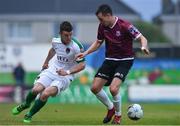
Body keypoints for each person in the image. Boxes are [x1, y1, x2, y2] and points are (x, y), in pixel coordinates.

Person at [76, 4, 150, 124]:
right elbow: (98, 42)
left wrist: (143, 47)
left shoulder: (125, 25)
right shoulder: (102, 26)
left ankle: (118, 115)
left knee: (113, 89)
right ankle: (111, 108)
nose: (100, 21)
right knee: (95, 88)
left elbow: (142, 37)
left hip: (125, 61)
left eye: (101, 19)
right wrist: (85, 53)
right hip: (110, 60)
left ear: (108, 15)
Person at [12, 21, 86, 123]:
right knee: (35, 90)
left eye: (70, 35)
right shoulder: (55, 41)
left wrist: (67, 72)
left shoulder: (76, 47)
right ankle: (26, 104)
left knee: (45, 93)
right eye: (66, 35)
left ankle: (29, 114)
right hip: (53, 69)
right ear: (60, 33)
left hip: (65, 76)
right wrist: (46, 62)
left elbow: (82, 65)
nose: (69, 37)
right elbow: (52, 50)